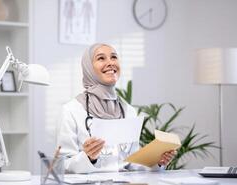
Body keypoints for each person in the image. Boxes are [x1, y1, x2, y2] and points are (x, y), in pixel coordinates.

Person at [56, 43, 175, 174]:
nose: (110, 63)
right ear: (88, 67)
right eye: (101, 58)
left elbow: (131, 163)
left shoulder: (128, 111)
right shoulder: (72, 110)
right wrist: (88, 157)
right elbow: (62, 164)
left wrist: (157, 162)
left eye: (114, 57)